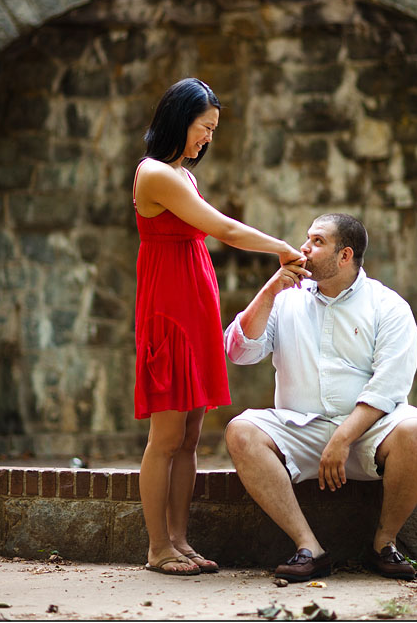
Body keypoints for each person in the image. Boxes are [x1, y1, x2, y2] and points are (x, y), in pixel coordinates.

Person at [133, 78, 303, 577]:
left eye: (212, 130)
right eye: (204, 127)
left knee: (189, 437)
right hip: (168, 313)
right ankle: (156, 546)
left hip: (194, 310)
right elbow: (223, 229)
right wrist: (281, 248)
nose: (208, 137)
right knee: (164, 437)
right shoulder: (155, 174)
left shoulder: (181, 174)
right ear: (179, 118)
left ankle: (180, 540)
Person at [224, 212, 417, 582]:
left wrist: (343, 438)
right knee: (240, 430)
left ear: (345, 256)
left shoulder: (388, 306)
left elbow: (389, 386)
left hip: (370, 434)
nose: (304, 248)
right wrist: (269, 291)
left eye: (318, 241)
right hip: (301, 430)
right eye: (307, 238)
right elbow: (239, 352)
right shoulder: (285, 298)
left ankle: (384, 544)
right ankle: (310, 548)